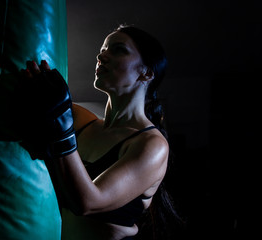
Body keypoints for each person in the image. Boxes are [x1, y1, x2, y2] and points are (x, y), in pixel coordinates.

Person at [20, 24, 183, 240]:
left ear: (146, 73)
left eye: (117, 49)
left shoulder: (152, 144)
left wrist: (58, 134)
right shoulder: (82, 120)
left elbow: (88, 202)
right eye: (103, 49)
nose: (101, 55)